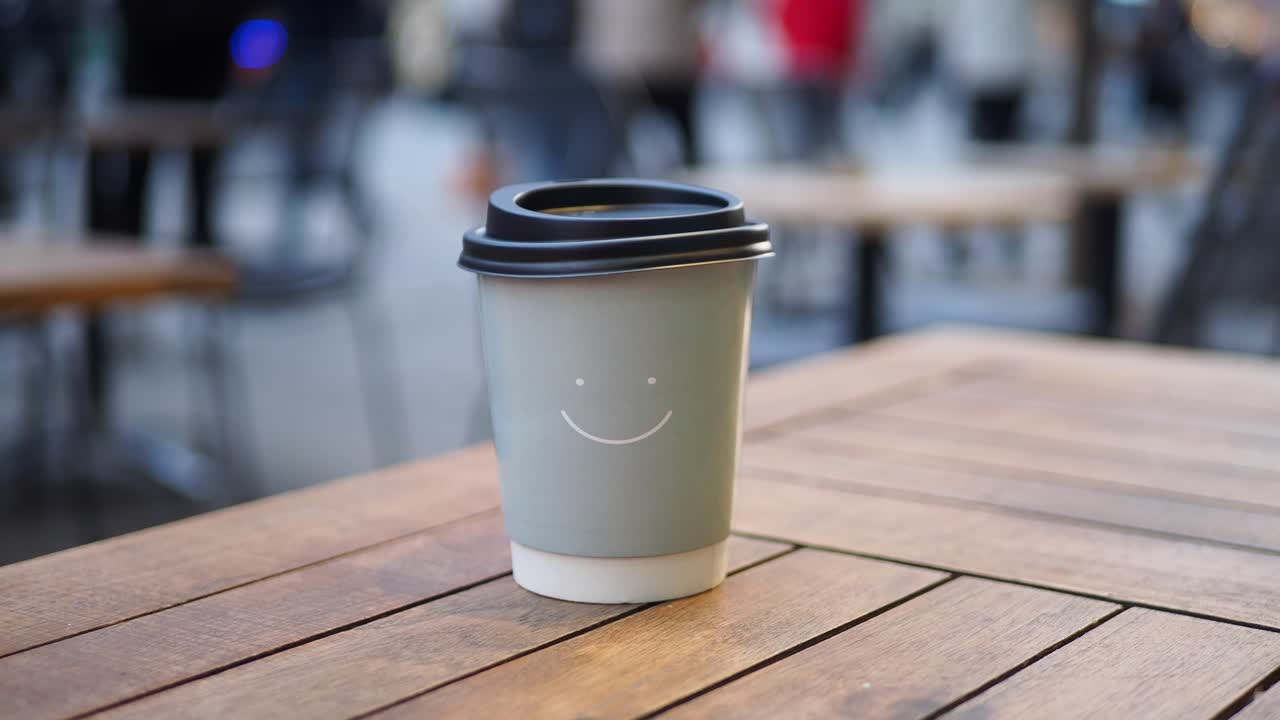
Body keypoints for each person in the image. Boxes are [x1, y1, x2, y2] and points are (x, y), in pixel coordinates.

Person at [578, 0, 705, 166]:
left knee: (619, 137)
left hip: (616, 59)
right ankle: (687, 177)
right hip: (669, 55)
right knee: (682, 136)